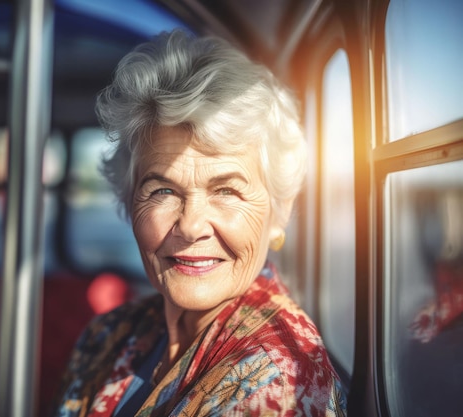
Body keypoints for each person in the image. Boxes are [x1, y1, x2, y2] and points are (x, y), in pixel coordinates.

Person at [51, 30, 347, 417]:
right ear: (129, 201)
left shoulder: (278, 379)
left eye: (226, 191)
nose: (191, 227)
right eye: (163, 191)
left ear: (280, 213)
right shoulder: (108, 333)